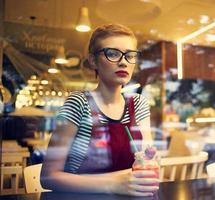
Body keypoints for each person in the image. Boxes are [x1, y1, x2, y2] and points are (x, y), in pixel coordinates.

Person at [41, 24, 159, 196]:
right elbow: (48, 177)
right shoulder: (78, 103)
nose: (123, 61)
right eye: (112, 53)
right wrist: (113, 183)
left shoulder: (139, 103)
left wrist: (151, 163)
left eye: (130, 55)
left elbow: (147, 158)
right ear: (93, 61)